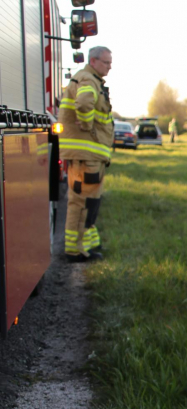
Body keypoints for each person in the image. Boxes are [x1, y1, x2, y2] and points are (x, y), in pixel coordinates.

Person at [58, 45, 114, 263]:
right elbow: (83, 103)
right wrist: (86, 124)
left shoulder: (89, 79)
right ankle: (75, 250)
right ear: (93, 61)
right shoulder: (88, 80)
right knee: (82, 203)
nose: (110, 67)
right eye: (106, 62)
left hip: (89, 156)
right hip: (86, 156)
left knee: (89, 202)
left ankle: (84, 247)